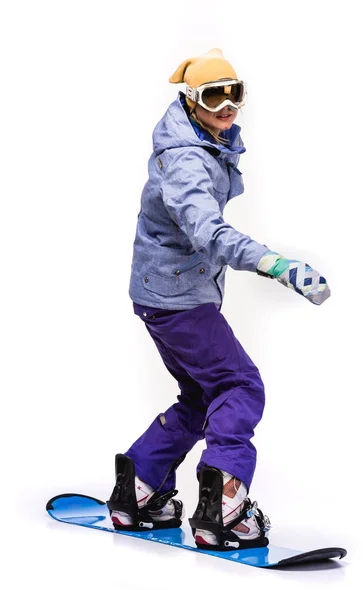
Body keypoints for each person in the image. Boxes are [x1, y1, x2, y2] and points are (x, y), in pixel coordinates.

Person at [106, 49, 330, 550]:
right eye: (214, 96)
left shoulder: (199, 138)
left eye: (236, 94)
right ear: (191, 100)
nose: (228, 107)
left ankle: (138, 491)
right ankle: (223, 506)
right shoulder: (187, 159)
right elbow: (206, 228)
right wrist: (273, 263)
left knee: (203, 396)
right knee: (241, 386)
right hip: (179, 298)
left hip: (163, 294)